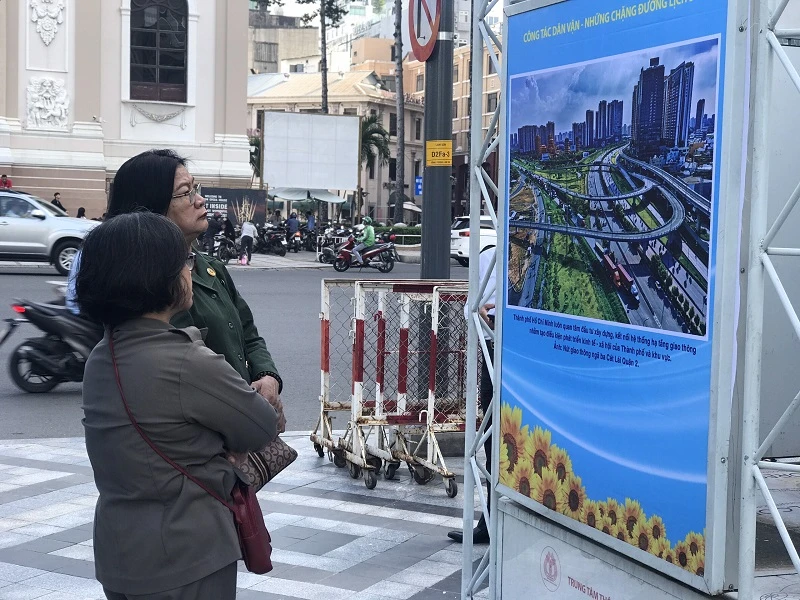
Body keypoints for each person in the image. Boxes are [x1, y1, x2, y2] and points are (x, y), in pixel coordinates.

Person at [77, 212, 279, 600]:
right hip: (187, 553)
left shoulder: (102, 356)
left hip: (119, 552)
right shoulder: (188, 361)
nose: (191, 269)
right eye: (185, 261)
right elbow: (260, 426)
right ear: (157, 277)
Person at [67, 149, 284, 413]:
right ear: (152, 208)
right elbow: (184, 377)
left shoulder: (212, 268)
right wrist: (256, 413)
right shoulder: (141, 289)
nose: (200, 200)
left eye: (196, 188)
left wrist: (267, 377)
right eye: (186, 193)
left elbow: (249, 334)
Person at [448, 244, 496, 545]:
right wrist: (482, 315)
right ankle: (490, 522)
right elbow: (470, 309)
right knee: (493, 444)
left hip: (535, 356)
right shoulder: (489, 256)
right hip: (495, 353)